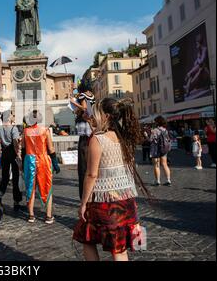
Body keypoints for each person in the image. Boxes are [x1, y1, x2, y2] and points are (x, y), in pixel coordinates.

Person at [73, 98, 149, 261]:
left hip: (105, 202)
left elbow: (91, 174)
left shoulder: (97, 139)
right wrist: (91, 122)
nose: (94, 116)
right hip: (126, 200)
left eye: (97, 113)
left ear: (106, 116)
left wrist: (83, 203)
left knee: (87, 240)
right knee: (120, 249)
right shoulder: (124, 137)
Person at [21, 110, 60, 224]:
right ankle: (48, 216)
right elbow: (51, 149)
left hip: (29, 160)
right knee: (47, 187)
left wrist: (23, 163)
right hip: (43, 160)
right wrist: (55, 163)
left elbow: (23, 148)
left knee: (30, 187)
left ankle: (31, 215)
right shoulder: (45, 130)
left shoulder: (26, 131)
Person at [70, 80, 95, 199]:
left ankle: (84, 194)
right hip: (91, 125)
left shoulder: (82, 95)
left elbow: (84, 108)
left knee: (83, 163)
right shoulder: (92, 95)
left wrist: (74, 103)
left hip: (84, 125)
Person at [0, 110, 23, 211]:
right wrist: (18, 154)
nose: (13, 116)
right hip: (12, 153)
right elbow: (15, 143)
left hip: (4, 154)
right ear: (8, 118)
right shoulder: (14, 129)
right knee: (15, 178)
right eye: (11, 115)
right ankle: (16, 202)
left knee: (4, 177)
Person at [150, 116, 172, 186]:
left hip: (156, 150)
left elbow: (151, 140)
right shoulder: (165, 130)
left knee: (156, 165)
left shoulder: (155, 130)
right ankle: (168, 180)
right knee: (165, 164)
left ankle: (157, 181)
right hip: (164, 149)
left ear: (157, 122)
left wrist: (147, 135)